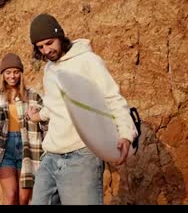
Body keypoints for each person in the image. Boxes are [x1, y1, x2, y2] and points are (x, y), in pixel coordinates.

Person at [25, 13, 138, 205]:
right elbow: (55, 106)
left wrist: (126, 134)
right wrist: (38, 116)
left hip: (82, 156)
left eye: (49, 43)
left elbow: (112, 98)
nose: (46, 50)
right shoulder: (49, 70)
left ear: (60, 36)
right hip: (51, 155)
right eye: (40, 47)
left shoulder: (88, 60)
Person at [0, 52, 48, 205]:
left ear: (21, 73)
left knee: (23, 199)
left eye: (16, 72)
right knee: (10, 196)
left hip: (28, 149)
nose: (12, 76)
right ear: (3, 75)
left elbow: (46, 122)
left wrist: (37, 116)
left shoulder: (33, 96)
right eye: (8, 72)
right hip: (4, 149)